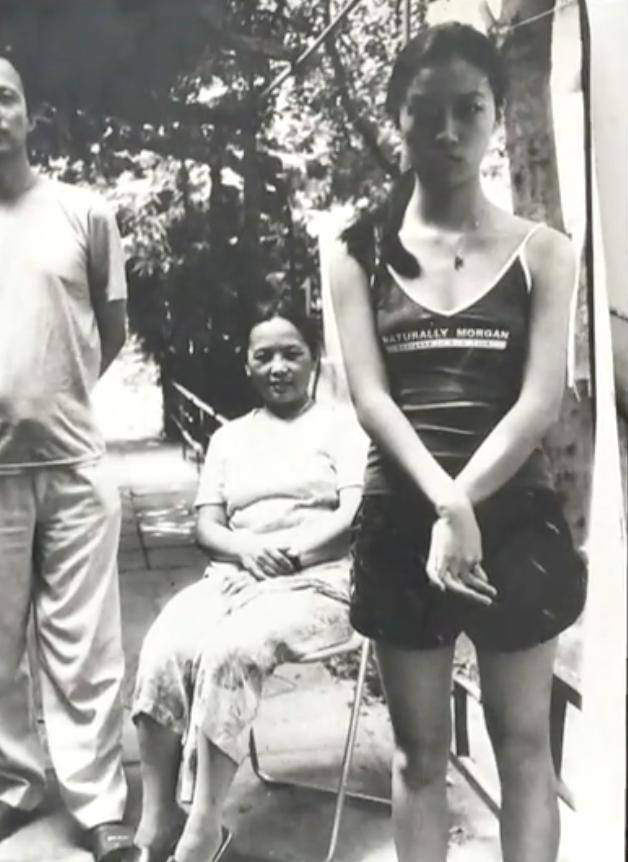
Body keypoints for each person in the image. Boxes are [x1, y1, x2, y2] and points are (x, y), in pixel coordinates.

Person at [329, 23, 587, 862]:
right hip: (405, 516)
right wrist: (445, 505)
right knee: (420, 754)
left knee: (524, 748)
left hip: (514, 518)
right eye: (426, 110)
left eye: (468, 109)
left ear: (497, 116)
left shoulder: (545, 254)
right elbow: (371, 398)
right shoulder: (355, 253)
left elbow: (540, 402)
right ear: (397, 116)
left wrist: (466, 504)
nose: (447, 131)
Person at [131, 297, 364, 862]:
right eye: (264, 357)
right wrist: (248, 552)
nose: (278, 367)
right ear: (248, 365)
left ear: (314, 359)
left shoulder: (344, 428)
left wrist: (286, 556)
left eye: (291, 354)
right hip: (236, 576)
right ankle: (159, 818)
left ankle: (203, 827)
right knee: (165, 642)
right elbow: (207, 527)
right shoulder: (229, 438)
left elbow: (354, 515)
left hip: (321, 582)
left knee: (232, 651)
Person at [0, 57, 134, 860]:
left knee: (85, 645)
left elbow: (108, 331)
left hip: (76, 464)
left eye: (4, 97)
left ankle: (99, 802)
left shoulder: (84, 212)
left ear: (29, 112)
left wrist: (52, 397)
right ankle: (13, 786)